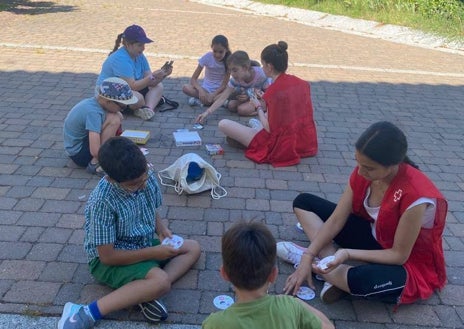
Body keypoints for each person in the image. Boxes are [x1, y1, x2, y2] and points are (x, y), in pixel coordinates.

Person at [279, 121, 447, 307]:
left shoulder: (415, 195)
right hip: (375, 236)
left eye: (369, 167)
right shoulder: (364, 172)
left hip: (405, 262)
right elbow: (336, 220)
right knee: (304, 203)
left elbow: (399, 255)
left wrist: (346, 253)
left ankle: (324, 267)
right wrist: (308, 255)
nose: (360, 171)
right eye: (358, 162)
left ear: (393, 165)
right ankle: (325, 263)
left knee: (361, 280)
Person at [57, 137, 201, 329]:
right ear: (109, 178)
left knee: (193, 248)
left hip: (141, 242)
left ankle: (144, 291)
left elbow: (150, 208)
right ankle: (85, 312)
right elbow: (107, 257)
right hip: (110, 259)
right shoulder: (102, 202)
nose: (141, 185)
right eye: (133, 184)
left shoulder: (145, 175)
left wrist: (162, 228)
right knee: (162, 282)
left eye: (143, 179)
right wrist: (153, 253)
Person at [202, 221, 334, 329]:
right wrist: (296, 302)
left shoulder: (214, 323)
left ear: (224, 274)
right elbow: (328, 327)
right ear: (273, 275)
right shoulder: (290, 307)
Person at [217, 41, 318, 167]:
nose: (262, 68)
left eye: (263, 65)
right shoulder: (302, 83)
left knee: (223, 124)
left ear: (269, 67)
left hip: (279, 143)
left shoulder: (273, 91)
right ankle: (254, 127)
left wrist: (258, 106)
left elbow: (269, 128)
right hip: (304, 140)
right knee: (253, 125)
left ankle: (254, 129)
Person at [96, 25, 173, 121]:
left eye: (144, 45)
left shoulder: (139, 55)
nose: (143, 48)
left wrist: (163, 75)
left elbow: (151, 81)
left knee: (159, 86)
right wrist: (152, 76)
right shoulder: (121, 59)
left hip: (127, 89)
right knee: (138, 98)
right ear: (128, 44)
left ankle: (148, 110)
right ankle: (139, 107)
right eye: (140, 45)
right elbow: (133, 86)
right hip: (107, 94)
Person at [63, 77, 138, 175]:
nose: (123, 109)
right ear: (108, 102)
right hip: (79, 154)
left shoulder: (95, 103)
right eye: (122, 106)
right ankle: (95, 164)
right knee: (114, 120)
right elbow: (94, 150)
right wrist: (111, 160)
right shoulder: (93, 113)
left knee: (116, 116)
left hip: (77, 146)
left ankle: (104, 155)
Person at [196, 50, 270, 124]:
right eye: (230, 71)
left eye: (235, 70)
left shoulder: (261, 75)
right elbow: (222, 98)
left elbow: (270, 94)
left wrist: (255, 97)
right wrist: (206, 113)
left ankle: (263, 111)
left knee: (242, 110)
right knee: (231, 106)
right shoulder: (235, 80)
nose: (232, 74)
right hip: (250, 99)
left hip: (263, 99)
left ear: (245, 68)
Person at [182, 35, 231, 107]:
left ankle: (201, 101)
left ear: (226, 50)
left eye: (221, 52)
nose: (217, 55)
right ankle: (217, 102)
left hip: (220, 91)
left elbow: (224, 84)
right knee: (185, 88)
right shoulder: (207, 57)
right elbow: (193, 79)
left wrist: (213, 94)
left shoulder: (229, 61)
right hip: (205, 89)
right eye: (215, 51)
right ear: (212, 48)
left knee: (231, 91)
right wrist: (200, 90)